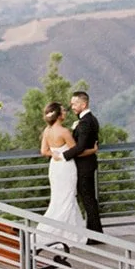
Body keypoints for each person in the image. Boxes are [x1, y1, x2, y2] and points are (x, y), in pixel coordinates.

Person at [35, 102, 88, 260]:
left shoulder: (47, 131)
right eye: (63, 111)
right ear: (59, 115)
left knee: (58, 199)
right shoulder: (64, 131)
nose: (65, 112)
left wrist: (54, 154)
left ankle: (55, 231)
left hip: (55, 167)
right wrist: (92, 149)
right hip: (66, 167)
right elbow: (75, 150)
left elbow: (43, 151)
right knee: (68, 198)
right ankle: (68, 233)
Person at [60, 89, 103, 233]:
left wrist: (63, 155)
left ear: (83, 104)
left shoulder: (85, 122)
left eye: (74, 104)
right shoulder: (91, 119)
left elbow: (80, 147)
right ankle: (95, 231)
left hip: (85, 166)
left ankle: (95, 233)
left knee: (88, 199)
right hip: (88, 164)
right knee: (88, 198)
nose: (72, 107)